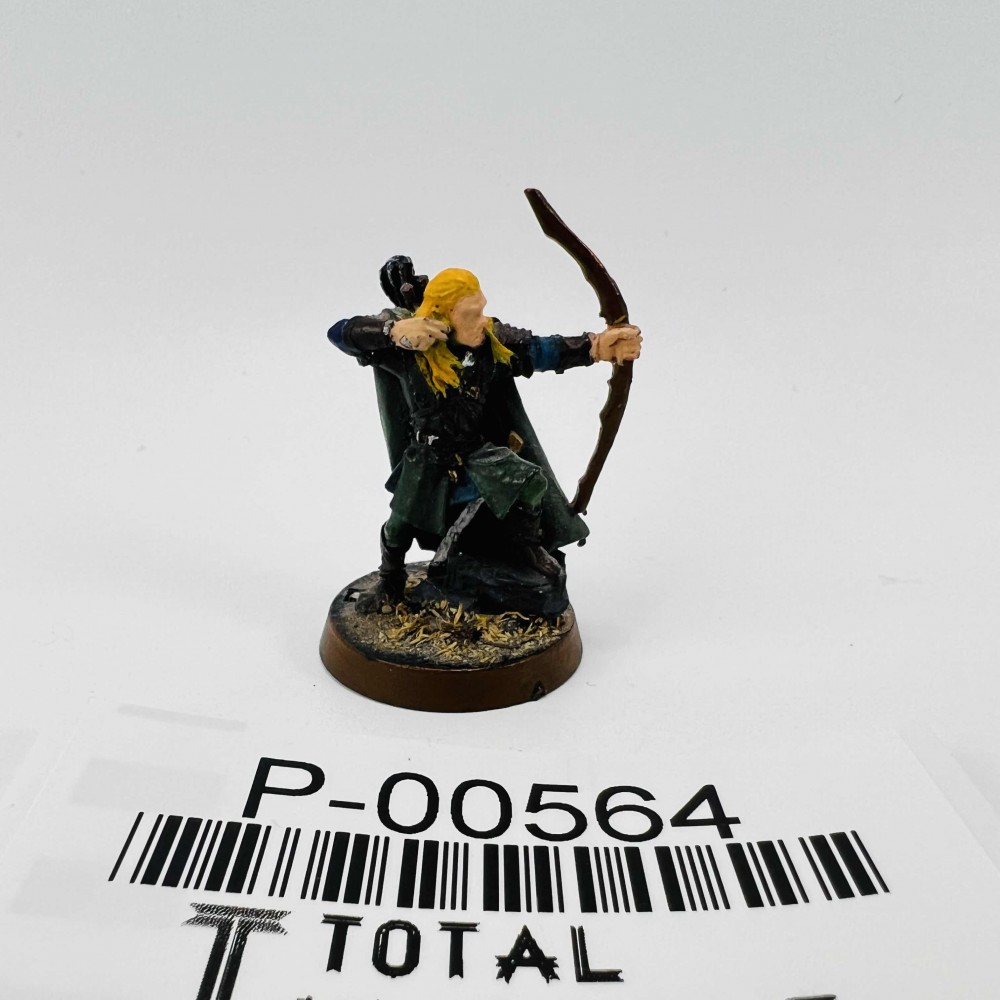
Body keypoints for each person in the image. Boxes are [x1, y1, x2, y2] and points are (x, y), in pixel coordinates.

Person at [329, 267, 641, 610]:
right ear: (445, 317)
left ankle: (526, 547)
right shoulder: (412, 352)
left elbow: (540, 350)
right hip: (428, 459)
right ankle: (390, 582)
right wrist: (393, 331)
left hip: (475, 453)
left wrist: (596, 346)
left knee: (528, 481)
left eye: (481, 310)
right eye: (471, 315)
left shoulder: (491, 342)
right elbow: (340, 333)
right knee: (397, 528)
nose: (482, 321)